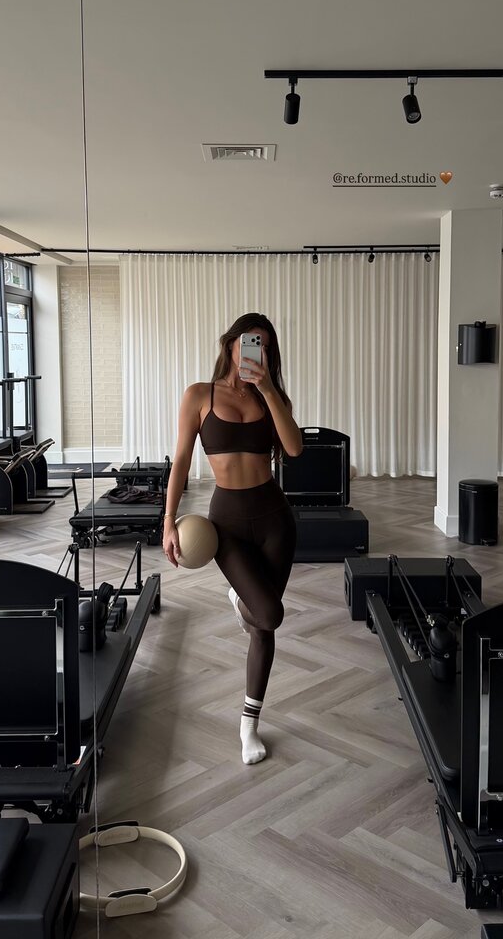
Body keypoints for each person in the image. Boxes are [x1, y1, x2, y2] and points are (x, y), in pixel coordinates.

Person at [162, 313, 303, 764]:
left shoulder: (272, 396)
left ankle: (248, 726)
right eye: (248, 342)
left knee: (263, 626)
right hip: (227, 525)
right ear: (229, 344)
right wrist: (168, 520)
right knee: (270, 613)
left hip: (275, 519)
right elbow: (181, 462)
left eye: (264, 346)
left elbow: (295, 449)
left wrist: (269, 390)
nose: (254, 352)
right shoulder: (198, 395)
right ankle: (242, 601)